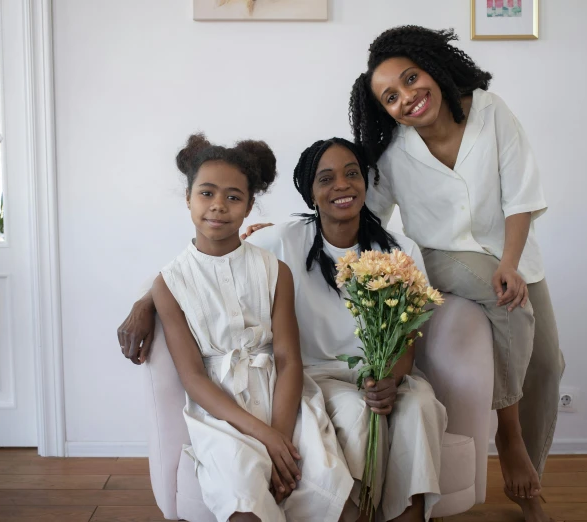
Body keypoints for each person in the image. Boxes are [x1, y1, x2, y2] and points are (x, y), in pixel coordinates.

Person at [120, 137, 446, 521]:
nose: (341, 185)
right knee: (356, 415)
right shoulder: (284, 240)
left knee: (419, 405)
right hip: (316, 376)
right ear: (310, 193)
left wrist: (391, 377)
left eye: (352, 174)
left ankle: (405, 514)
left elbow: (409, 330)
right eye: (325, 179)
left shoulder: (398, 249)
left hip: (373, 378)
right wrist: (145, 302)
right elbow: (206, 267)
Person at [348, 25, 564, 522]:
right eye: (391, 97)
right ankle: (508, 441)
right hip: (442, 257)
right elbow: (367, 212)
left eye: (411, 78)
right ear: (384, 110)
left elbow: (522, 197)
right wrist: (299, 227)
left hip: (514, 255)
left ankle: (531, 473)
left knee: (549, 367)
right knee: (503, 300)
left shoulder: (490, 111)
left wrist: (510, 262)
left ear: (433, 69)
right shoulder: (392, 152)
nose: (408, 97)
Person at [150, 133, 353, 522]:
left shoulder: (274, 270)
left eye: (233, 197)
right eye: (206, 193)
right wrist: (263, 437)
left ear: (249, 206)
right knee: (244, 505)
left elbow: (288, 360)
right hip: (220, 410)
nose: (218, 207)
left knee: (332, 493)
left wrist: (279, 434)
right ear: (188, 198)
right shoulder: (169, 283)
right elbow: (193, 378)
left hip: (282, 399)